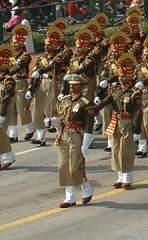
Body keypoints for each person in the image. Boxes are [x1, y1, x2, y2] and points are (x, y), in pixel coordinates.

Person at [95, 53, 142, 188]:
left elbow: (138, 112)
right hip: (116, 121)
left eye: (124, 76)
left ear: (130, 77)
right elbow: (106, 101)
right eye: (120, 76)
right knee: (116, 149)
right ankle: (119, 176)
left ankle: (127, 176)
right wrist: (93, 109)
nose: (121, 78)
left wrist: (137, 130)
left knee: (125, 150)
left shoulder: (134, 92)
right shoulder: (115, 90)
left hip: (128, 123)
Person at [52, 74, 96, 208]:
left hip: (78, 134)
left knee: (75, 166)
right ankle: (70, 196)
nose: (71, 86)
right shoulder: (65, 100)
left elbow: (88, 125)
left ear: (82, 86)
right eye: (70, 84)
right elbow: (61, 116)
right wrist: (55, 122)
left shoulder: (86, 104)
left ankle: (86, 187)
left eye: (75, 84)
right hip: (64, 133)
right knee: (63, 165)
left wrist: (86, 143)